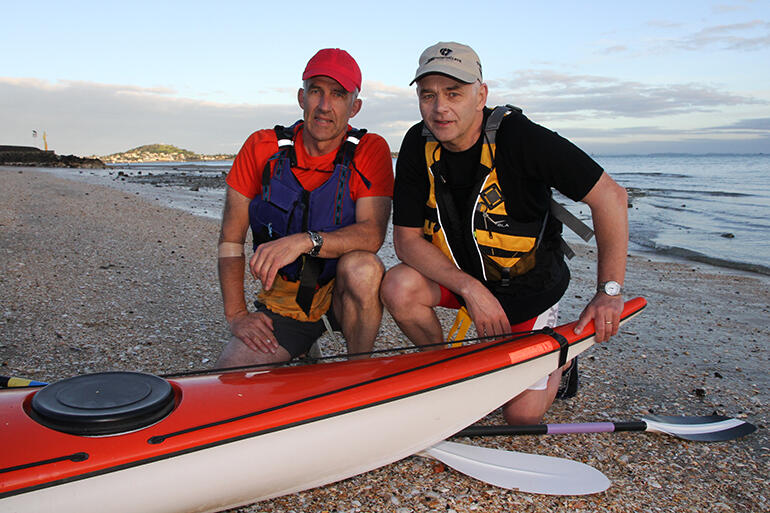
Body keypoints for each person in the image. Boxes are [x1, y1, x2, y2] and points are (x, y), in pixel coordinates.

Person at [380, 42, 628, 425]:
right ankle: (453, 374)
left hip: (529, 288)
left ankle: (563, 363)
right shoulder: (418, 143)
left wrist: (609, 292)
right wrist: (471, 289)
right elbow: (406, 241)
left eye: (454, 93)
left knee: (520, 417)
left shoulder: (521, 139)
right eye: (428, 95)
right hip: (466, 281)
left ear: (481, 95)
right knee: (398, 286)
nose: (440, 108)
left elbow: (610, 197)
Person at [216, 48, 394, 367]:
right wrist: (237, 315)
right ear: (302, 97)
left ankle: (358, 370)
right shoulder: (261, 147)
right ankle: (302, 342)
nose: (325, 106)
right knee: (232, 375)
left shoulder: (371, 150)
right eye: (316, 91)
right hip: (288, 299)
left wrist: (302, 241)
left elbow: (372, 235)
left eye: (338, 94)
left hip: (341, 291)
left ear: (355, 106)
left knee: (364, 268)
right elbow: (230, 240)